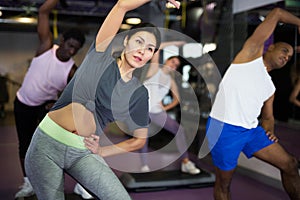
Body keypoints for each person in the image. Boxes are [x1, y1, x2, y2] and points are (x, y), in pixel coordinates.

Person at [24, 0, 180, 199]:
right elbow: (121, 5)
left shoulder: (139, 94)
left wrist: (103, 151)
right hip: (47, 146)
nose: (142, 50)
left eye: (150, 48)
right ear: (125, 41)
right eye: (139, 42)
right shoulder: (100, 56)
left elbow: (140, 140)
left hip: (83, 152)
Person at [205, 8, 300, 200]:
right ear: (270, 47)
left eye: (289, 56)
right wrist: (299, 22)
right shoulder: (249, 57)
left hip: (250, 131)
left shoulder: (270, 87)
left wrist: (269, 130)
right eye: (284, 51)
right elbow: (277, 13)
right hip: (224, 128)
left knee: (290, 164)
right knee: (224, 184)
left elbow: (268, 117)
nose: (286, 57)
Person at [14, 0, 86, 198]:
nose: (71, 51)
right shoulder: (46, 47)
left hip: (45, 108)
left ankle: (79, 183)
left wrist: (58, 103)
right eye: (70, 45)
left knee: (60, 143)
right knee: (25, 144)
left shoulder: (72, 70)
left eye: (76, 49)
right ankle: (28, 183)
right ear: (62, 40)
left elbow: (75, 94)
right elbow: (43, 11)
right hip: (23, 104)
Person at [139, 41, 200, 174]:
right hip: (142, 110)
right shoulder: (154, 69)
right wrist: (177, 43)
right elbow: (158, 47)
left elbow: (177, 99)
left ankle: (185, 162)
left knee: (179, 130)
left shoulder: (170, 80)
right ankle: (144, 165)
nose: (174, 65)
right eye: (173, 62)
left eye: (177, 65)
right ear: (166, 61)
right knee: (143, 136)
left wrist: (165, 108)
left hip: (157, 112)